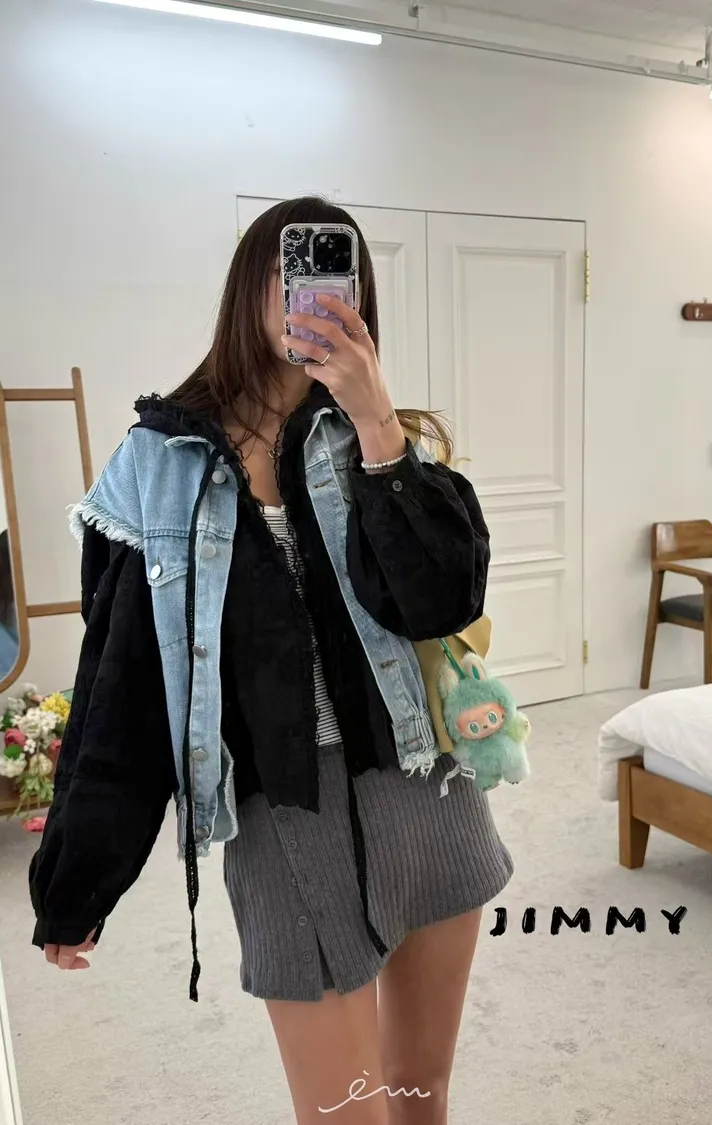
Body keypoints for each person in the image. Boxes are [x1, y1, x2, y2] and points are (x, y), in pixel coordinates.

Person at [28, 197, 513, 1125]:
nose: (319, 294)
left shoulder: (382, 435)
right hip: (283, 817)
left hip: (426, 789)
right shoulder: (159, 463)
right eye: (297, 270)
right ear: (257, 283)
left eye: (341, 275)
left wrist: (377, 423)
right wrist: (81, 872)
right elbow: (122, 685)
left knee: (422, 1091)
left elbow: (444, 599)